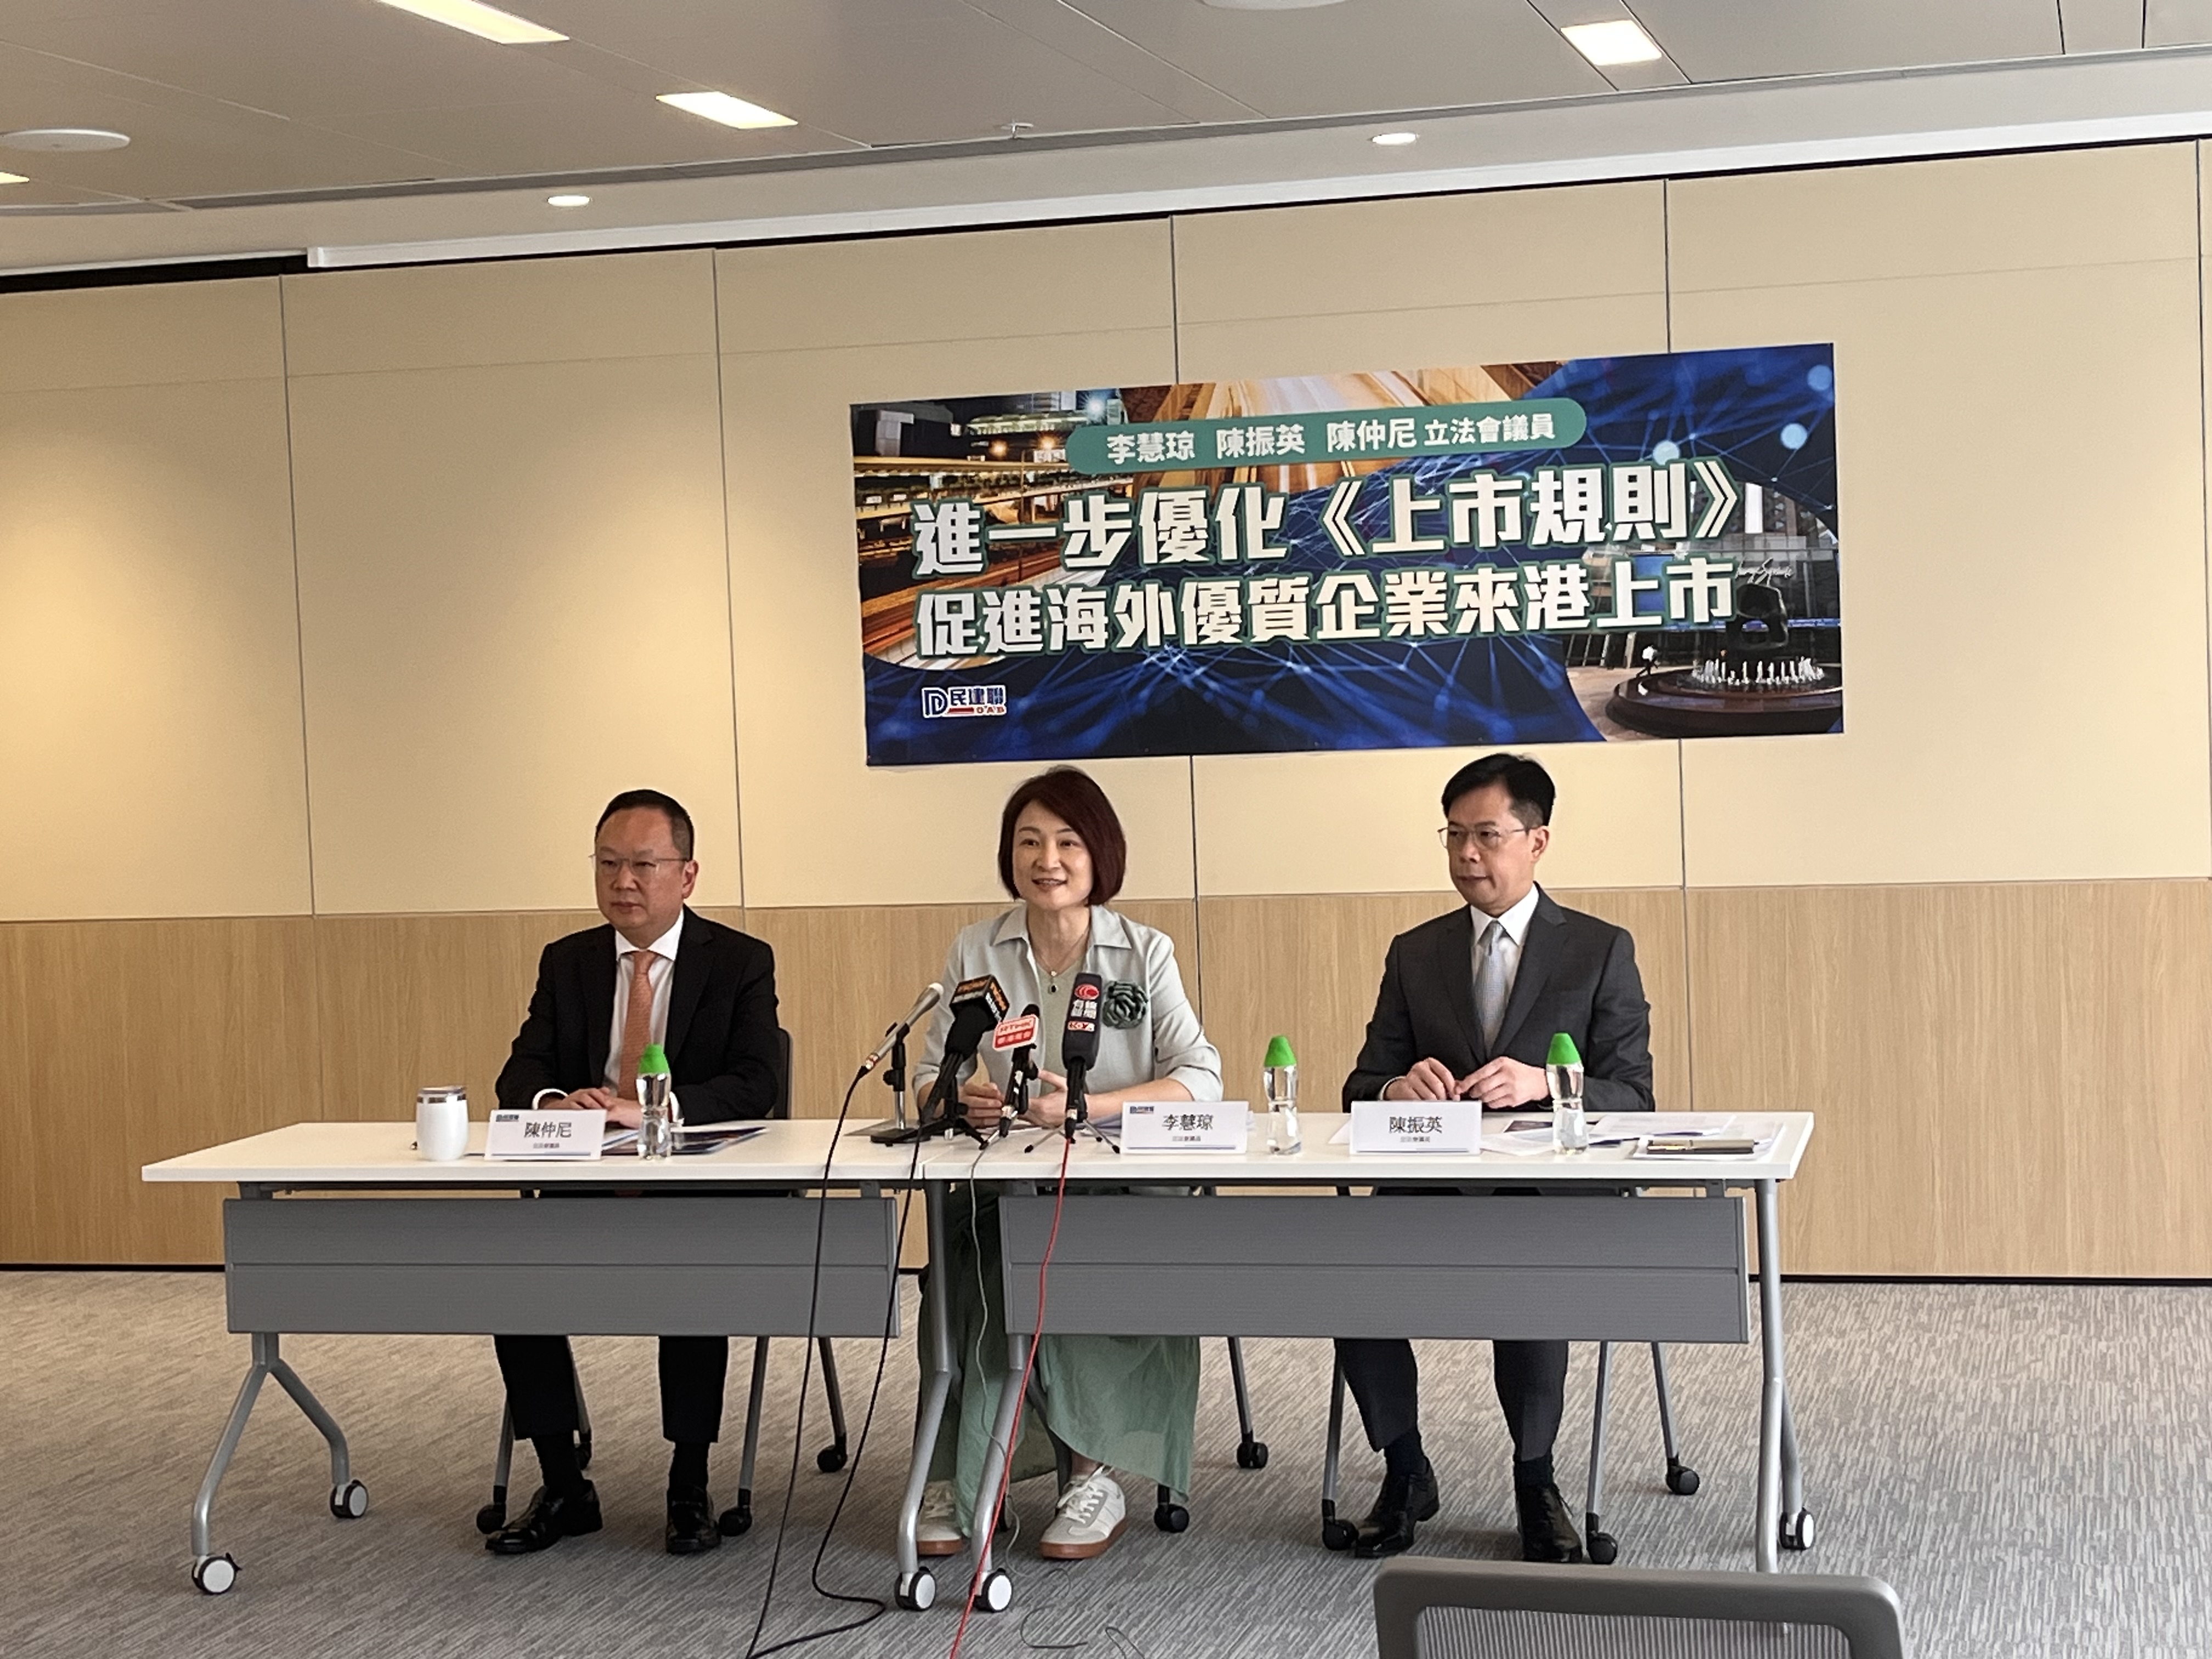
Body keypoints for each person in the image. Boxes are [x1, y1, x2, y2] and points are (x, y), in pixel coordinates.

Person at [1338, 752, 1654, 1563]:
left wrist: (1549, 1084)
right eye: (1453, 836)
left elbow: (1635, 1096)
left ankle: (1535, 1478)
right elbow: (1360, 1085)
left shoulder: (1598, 950)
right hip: (1433, 1190)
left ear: (1537, 841)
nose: (1467, 854)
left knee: (1529, 1282)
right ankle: (1405, 1469)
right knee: (1349, 1278)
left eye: (1486, 835)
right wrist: (1399, 1087)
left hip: (1546, 1196)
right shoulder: (1416, 952)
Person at [910, 766, 1221, 1563]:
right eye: (1029, 842)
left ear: (1099, 855)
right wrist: (959, 1096)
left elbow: (1200, 1077)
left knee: (1066, 1255)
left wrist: (1092, 1106)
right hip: (1004, 1181)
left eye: (1068, 842)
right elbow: (927, 1075)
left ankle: (1091, 1475)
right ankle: (958, 1472)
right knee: (974, 1263)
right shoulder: (976, 949)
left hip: (1118, 1186)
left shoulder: (1143, 951)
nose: (1047, 860)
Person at [483, 788, 781, 1557]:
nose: (624, 882)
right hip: (584, 1181)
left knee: (690, 1275)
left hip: (693, 1187)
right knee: (514, 1277)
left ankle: (689, 1481)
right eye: (609, 864)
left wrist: (654, 1108)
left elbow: (758, 1081)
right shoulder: (569, 961)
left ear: (687, 875)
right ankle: (563, 1483)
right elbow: (521, 1074)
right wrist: (559, 1102)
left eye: (644, 865)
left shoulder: (740, 961)